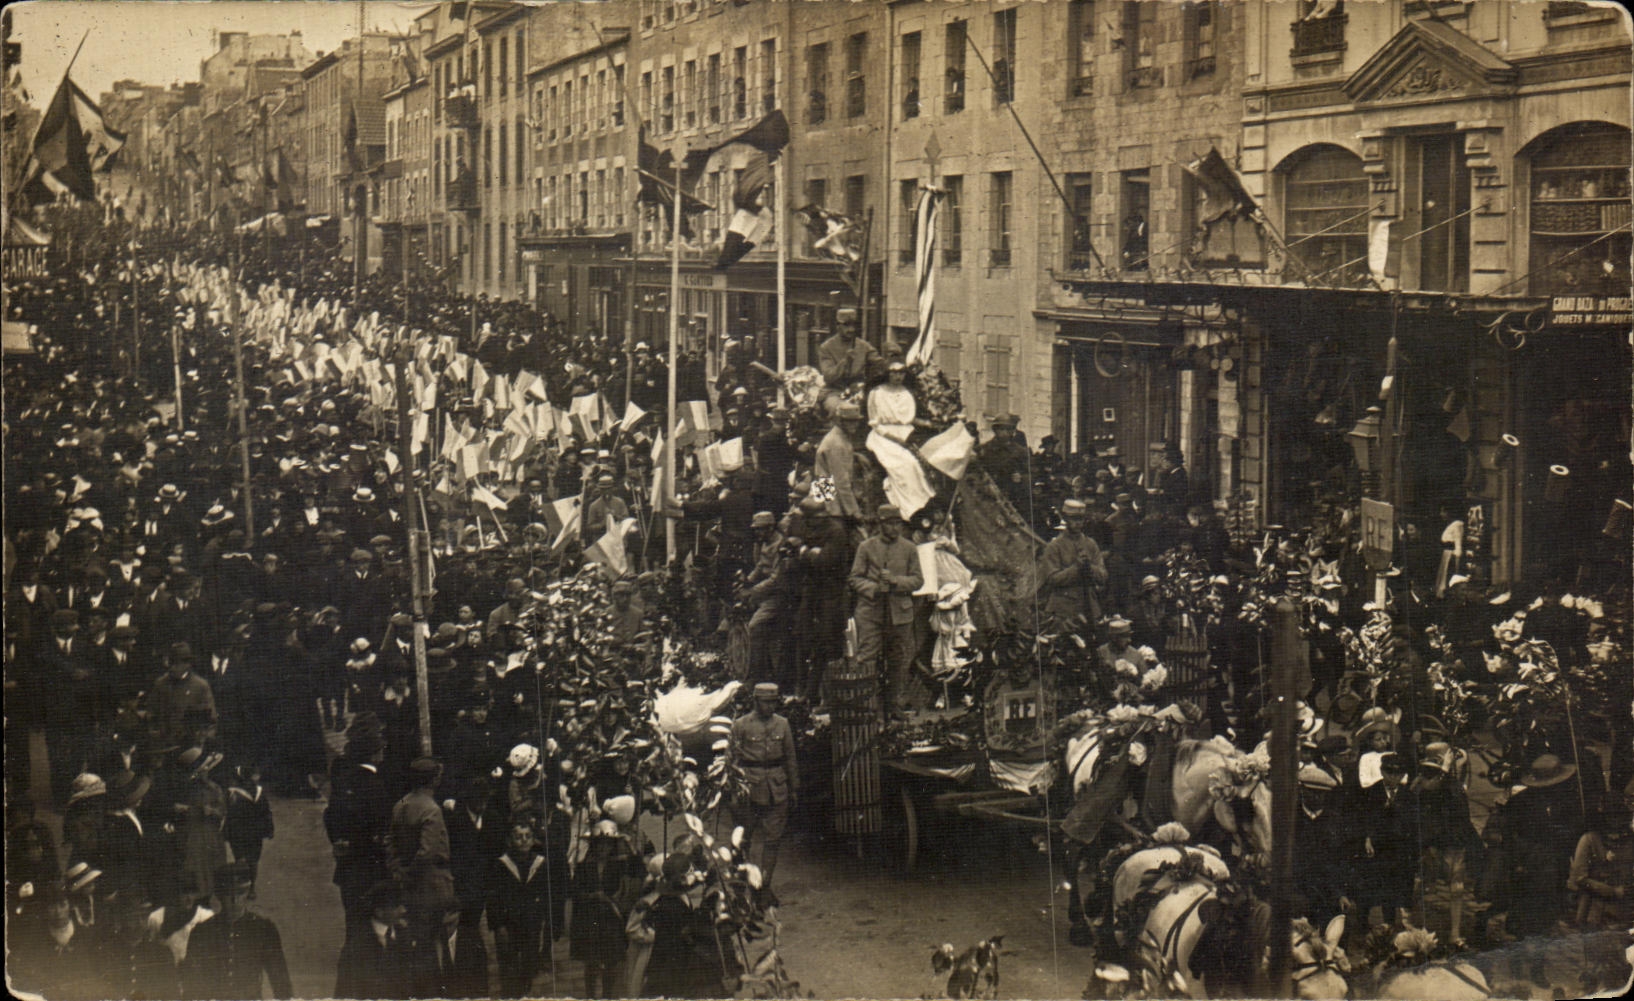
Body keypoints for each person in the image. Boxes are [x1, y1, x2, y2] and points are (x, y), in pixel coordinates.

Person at [181, 861, 293, 1000]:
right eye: (228, 894)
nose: (234, 900)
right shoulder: (202, 932)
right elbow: (191, 984)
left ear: (247, 893)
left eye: (240, 893)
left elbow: (281, 983)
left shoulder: (264, 929)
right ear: (219, 895)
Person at [850, 505, 924, 713]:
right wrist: (874, 588)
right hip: (871, 612)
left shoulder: (909, 548)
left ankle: (892, 706)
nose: (895, 528)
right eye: (890, 524)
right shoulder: (866, 547)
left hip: (899, 613)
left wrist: (895, 582)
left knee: (897, 660)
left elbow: (918, 580)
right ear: (881, 524)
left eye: (897, 523)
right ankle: (866, 705)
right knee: (867, 657)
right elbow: (854, 578)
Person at [730, 683, 800, 903]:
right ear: (755, 701)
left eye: (773, 702)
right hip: (749, 789)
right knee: (743, 840)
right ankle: (743, 887)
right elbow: (730, 760)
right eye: (765, 702)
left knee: (773, 840)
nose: (769, 706)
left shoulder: (783, 724)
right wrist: (733, 789)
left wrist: (793, 788)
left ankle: (765, 887)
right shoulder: (741, 725)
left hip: (776, 789)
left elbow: (790, 757)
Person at [1568, 779, 1634, 993]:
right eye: (1611, 818)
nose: (1616, 823)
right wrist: (1611, 891)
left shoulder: (1630, 840)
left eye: (1620, 817)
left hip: (1625, 911)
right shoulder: (1589, 840)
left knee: (1622, 963)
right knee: (1596, 963)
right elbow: (1580, 878)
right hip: (1596, 910)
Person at [570, 819, 643, 998]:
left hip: (611, 919)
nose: (603, 849)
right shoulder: (584, 864)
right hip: (590, 918)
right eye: (600, 845)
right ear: (594, 845)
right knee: (591, 963)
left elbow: (639, 873)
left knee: (611, 962)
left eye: (608, 845)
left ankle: (608, 995)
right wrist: (592, 896)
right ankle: (590, 996)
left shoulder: (620, 864)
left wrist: (633, 850)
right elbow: (575, 890)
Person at [388, 757, 458, 941]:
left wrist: (399, 869)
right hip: (432, 883)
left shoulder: (401, 803)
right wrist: (411, 871)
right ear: (433, 780)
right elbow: (428, 852)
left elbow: (391, 841)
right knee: (438, 936)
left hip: (409, 883)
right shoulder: (431, 809)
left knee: (416, 933)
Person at [488, 817, 549, 998]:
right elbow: (494, 899)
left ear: (533, 840)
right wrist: (498, 926)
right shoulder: (501, 865)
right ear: (510, 840)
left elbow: (545, 895)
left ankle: (525, 990)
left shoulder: (539, 863)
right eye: (518, 836)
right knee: (509, 967)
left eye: (527, 836)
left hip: (531, 924)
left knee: (529, 966)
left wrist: (543, 919)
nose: (523, 840)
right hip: (509, 925)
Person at [333, 880, 417, 1000]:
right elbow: (344, 990)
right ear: (379, 912)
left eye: (403, 905)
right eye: (396, 906)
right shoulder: (357, 946)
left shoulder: (405, 937)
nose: (403, 910)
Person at [1038, 498, 1107, 633]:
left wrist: (1089, 567)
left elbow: (1103, 576)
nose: (1078, 523)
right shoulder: (1054, 546)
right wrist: (1076, 568)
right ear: (1065, 519)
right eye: (1074, 519)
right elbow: (1052, 579)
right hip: (1063, 610)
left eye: (1081, 519)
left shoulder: (1090, 544)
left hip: (1089, 609)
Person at [412, 901, 489, 999]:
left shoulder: (472, 940)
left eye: (449, 913)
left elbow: (481, 981)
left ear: (457, 915)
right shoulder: (425, 944)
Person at [816, 307, 880, 406]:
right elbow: (828, 376)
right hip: (834, 391)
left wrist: (891, 358)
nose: (851, 329)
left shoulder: (863, 346)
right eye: (846, 325)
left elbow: (878, 362)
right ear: (838, 326)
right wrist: (845, 362)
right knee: (839, 409)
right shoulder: (826, 347)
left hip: (858, 390)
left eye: (853, 325)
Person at [813, 402, 866, 521]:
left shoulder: (840, 436)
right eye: (850, 421)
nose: (855, 425)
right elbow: (841, 482)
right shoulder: (836, 442)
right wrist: (854, 512)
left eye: (856, 421)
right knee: (837, 528)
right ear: (840, 421)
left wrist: (855, 456)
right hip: (828, 494)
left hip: (829, 488)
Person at [866, 360, 917, 442]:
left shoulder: (907, 394)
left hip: (906, 433)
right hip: (882, 434)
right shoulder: (876, 392)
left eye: (901, 373)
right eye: (894, 373)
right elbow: (874, 421)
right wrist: (891, 437)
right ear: (887, 374)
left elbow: (909, 418)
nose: (898, 376)